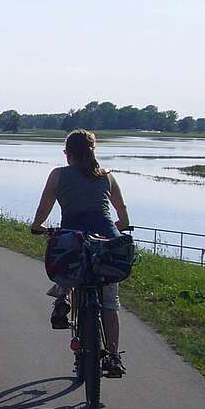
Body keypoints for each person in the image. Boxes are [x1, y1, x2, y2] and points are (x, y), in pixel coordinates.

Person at [30, 130, 131, 377]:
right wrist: (112, 229)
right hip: (107, 243)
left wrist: (38, 227)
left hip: (72, 240)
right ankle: (114, 357)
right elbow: (123, 216)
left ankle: (62, 298)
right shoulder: (107, 176)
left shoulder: (58, 176)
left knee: (66, 258)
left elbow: (43, 209)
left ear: (68, 154)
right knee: (109, 303)